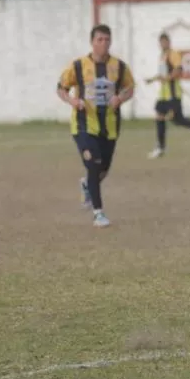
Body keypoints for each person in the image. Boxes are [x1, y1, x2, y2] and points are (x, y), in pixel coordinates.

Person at [56, 24, 135, 227]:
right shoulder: (78, 66)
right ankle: (98, 213)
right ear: (92, 42)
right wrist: (72, 101)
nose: (104, 44)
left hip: (109, 125)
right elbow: (61, 88)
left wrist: (120, 98)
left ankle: (87, 186)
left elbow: (129, 88)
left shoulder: (119, 67)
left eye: (107, 40)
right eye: (100, 40)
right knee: (93, 164)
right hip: (84, 124)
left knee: (103, 169)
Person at [146, 32, 190, 159]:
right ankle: (160, 148)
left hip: (173, 94)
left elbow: (179, 70)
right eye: (161, 42)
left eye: (165, 41)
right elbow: (163, 74)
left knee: (178, 120)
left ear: (168, 42)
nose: (163, 44)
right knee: (159, 116)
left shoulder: (173, 54)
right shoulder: (162, 56)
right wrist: (152, 79)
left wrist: (168, 78)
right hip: (164, 95)